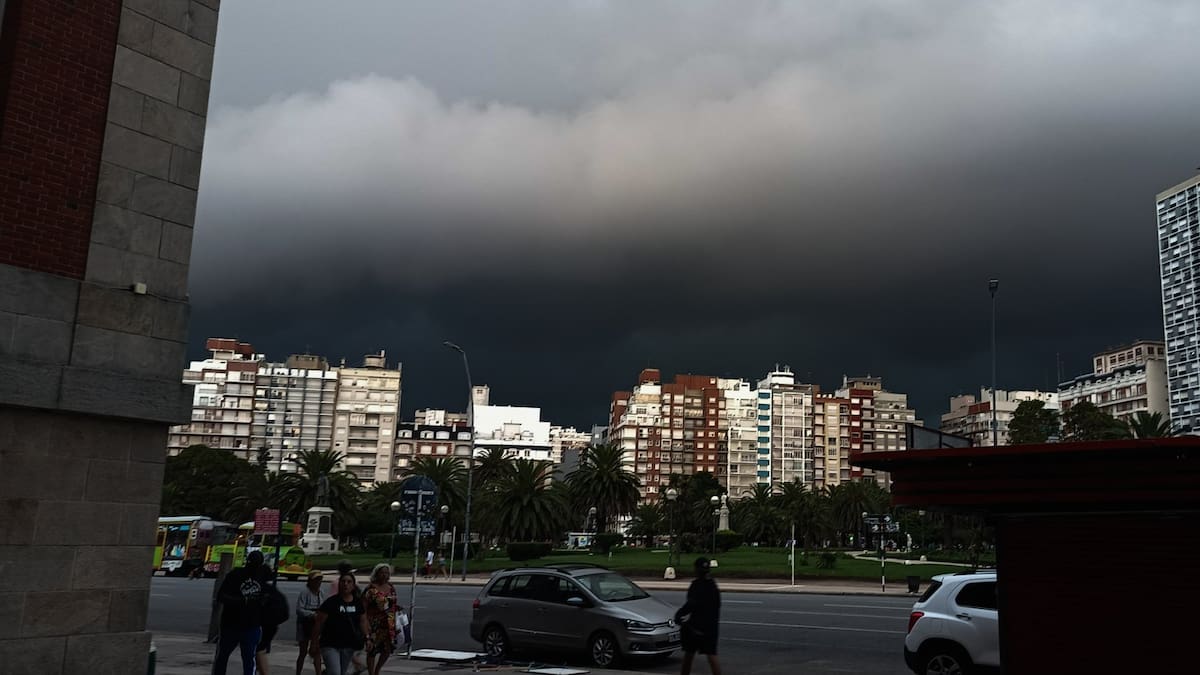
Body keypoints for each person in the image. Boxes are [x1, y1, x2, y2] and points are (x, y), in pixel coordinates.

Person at [213, 551, 269, 675]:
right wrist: (243, 601)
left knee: (249, 659)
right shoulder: (235, 575)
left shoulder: (262, 576)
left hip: (251, 625)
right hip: (231, 624)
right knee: (223, 656)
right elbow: (221, 596)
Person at [310, 573, 370, 675]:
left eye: (349, 582)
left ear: (353, 585)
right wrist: (314, 642)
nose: (345, 584)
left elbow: (363, 621)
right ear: (339, 584)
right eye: (343, 582)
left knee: (342, 672)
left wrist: (367, 637)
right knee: (335, 672)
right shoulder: (331, 602)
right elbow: (319, 623)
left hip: (348, 645)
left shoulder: (357, 603)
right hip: (330, 644)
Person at [674, 557, 722, 675]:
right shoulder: (713, 586)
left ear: (696, 569)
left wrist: (679, 614)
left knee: (689, 655)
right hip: (711, 627)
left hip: (695, 627)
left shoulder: (696, 585)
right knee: (711, 655)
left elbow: (691, 604)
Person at [330, 560, 366, 674]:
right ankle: (354, 665)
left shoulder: (337, 583)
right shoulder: (353, 582)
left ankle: (353, 665)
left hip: (341, 618)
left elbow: (332, 599)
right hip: (352, 616)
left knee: (342, 645)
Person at [363, 564, 399, 675]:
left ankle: (377, 670)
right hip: (374, 623)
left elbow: (393, 603)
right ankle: (371, 672)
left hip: (389, 623)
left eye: (387, 573)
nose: (384, 575)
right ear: (376, 573)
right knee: (372, 650)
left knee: (387, 649)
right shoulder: (370, 589)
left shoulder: (391, 587)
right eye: (382, 572)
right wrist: (365, 623)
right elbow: (363, 607)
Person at [296, 571, 326, 675]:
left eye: (319, 580)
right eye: (316, 580)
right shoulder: (305, 592)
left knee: (317, 651)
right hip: (305, 623)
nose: (318, 582)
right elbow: (299, 609)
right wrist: (312, 614)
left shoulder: (321, 592)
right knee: (303, 651)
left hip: (316, 624)